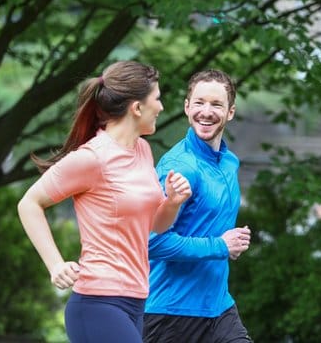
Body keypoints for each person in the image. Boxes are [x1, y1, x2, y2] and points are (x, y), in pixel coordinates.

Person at [17, 61, 192, 343]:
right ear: (137, 108)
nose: (161, 107)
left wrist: (173, 201)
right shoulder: (92, 158)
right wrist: (55, 265)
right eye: (157, 99)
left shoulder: (143, 150)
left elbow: (157, 225)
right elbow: (29, 203)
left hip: (135, 301)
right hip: (97, 303)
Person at [143, 69, 253, 342]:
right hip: (171, 313)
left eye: (216, 104)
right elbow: (152, 242)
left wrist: (231, 242)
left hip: (219, 307)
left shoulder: (229, 163)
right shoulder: (179, 167)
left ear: (230, 112)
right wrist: (220, 246)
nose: (206, 111)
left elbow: (210, 227)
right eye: (199, 102)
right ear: (186, 107)